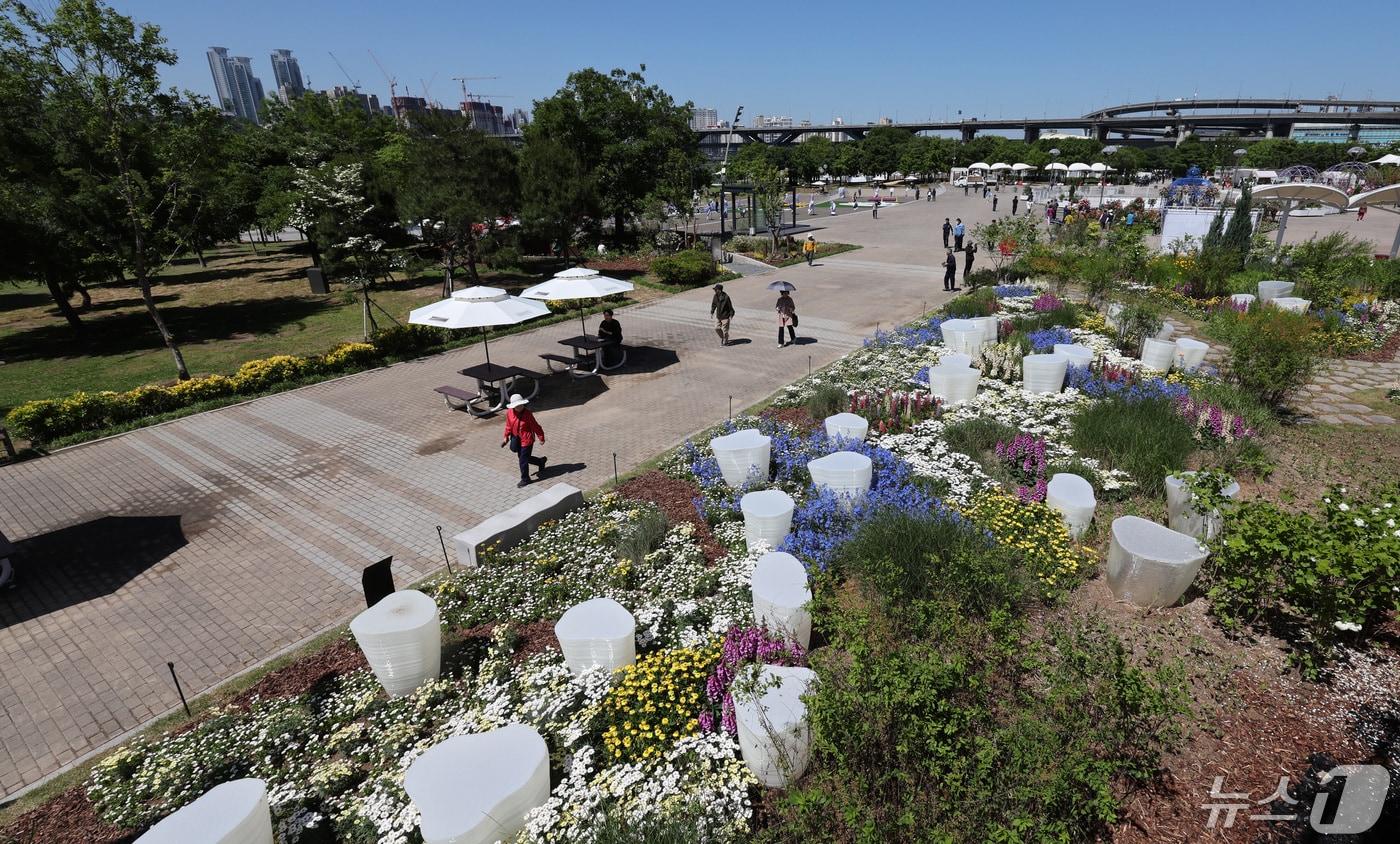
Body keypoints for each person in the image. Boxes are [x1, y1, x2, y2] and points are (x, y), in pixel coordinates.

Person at [502, 395, 546, 488]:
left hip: (527, 440)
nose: (520, 407)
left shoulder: (528, 414)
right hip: (516, 438)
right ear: (513, 406)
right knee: (524, 458)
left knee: (523, 459)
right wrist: (506, 436)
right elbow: (508, 426)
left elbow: (536, 426)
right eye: (517, 406)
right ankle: (540, 461)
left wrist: (541, 437)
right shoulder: (509, 413)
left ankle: (525, 479)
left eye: (521, 405)